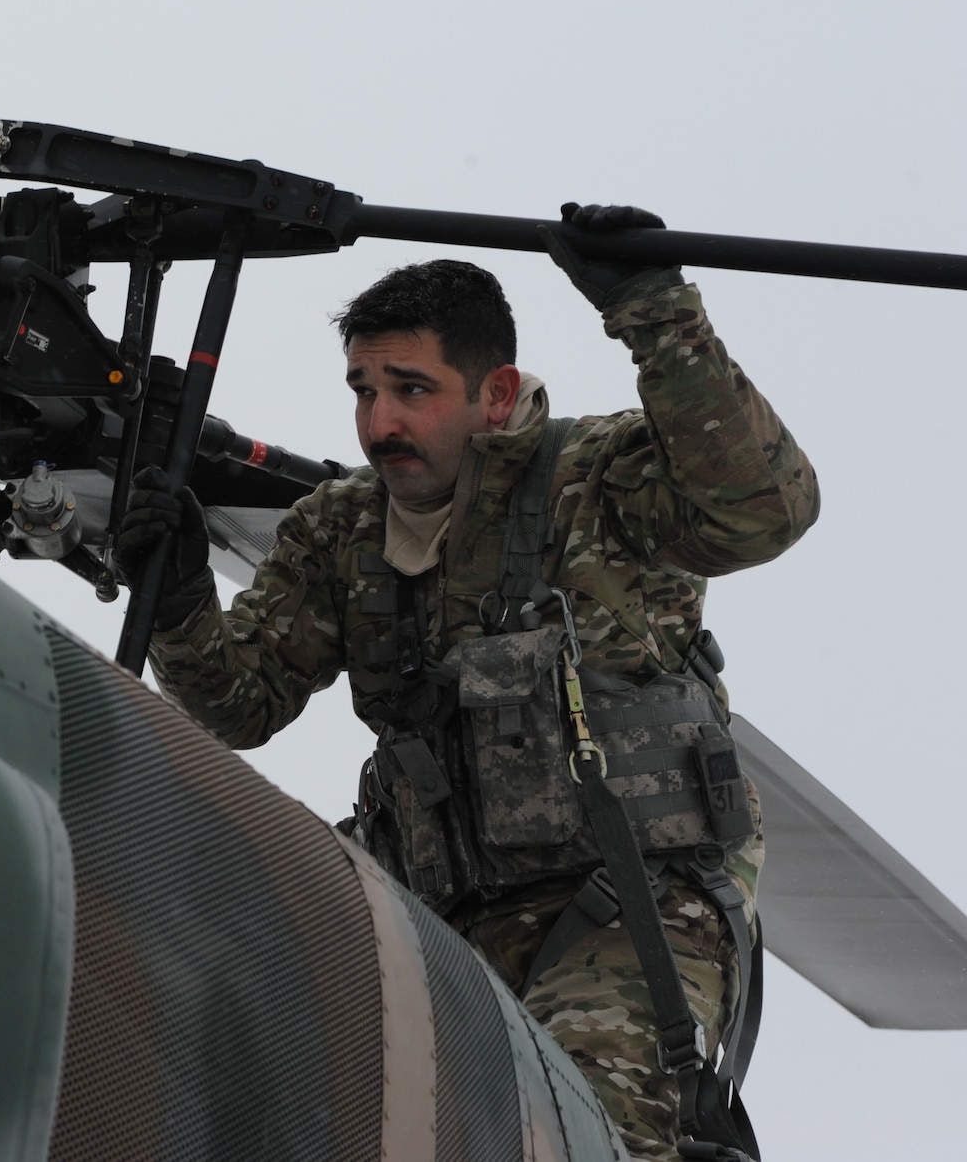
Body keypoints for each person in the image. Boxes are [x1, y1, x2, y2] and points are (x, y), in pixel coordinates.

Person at [122, 203, 819, 1162]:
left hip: (631, 905)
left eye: (412, 389)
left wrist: (655, 311)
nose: (381, 421)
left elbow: (766, 509)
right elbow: (241, 703)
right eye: (363, 389)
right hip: (440, 918)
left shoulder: (598, 480)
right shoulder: (340, 529)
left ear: (495, 394)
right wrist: (182, 597)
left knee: (571, 1126)